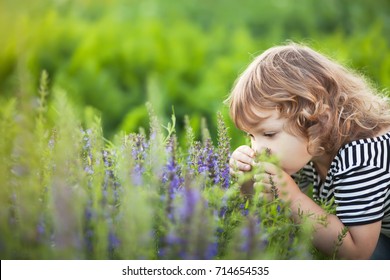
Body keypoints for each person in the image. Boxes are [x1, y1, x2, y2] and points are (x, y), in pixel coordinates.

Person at [226, 43, 390, 259]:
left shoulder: (360, 159)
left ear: (317, 119)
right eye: (251, 136)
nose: (257, 149)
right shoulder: (307, 145)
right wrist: (249, 184)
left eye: (269, 134)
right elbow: (275, 216)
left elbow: (357, 253)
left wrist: (291, 197)